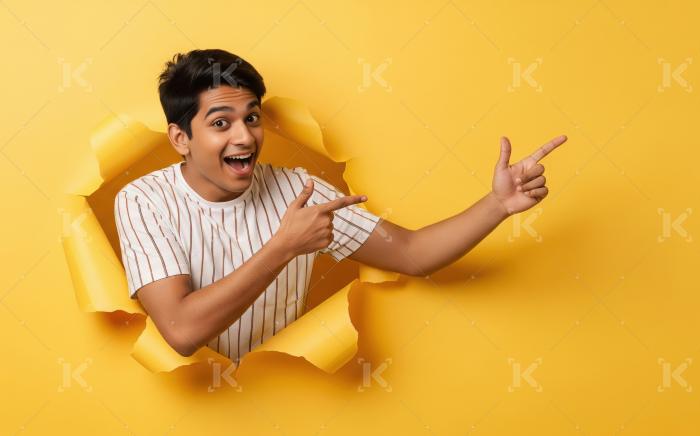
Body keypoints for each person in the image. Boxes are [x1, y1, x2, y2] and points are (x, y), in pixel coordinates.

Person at [113, 48, 566, 363]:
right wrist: (284, 246)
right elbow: (182, 332)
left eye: (251, 117)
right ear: (181, 139)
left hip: (285, 400)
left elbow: (411, 253)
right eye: (220, 122)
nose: (245, 136)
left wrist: (497, 204)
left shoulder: (302, 194)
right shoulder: (142, 201)